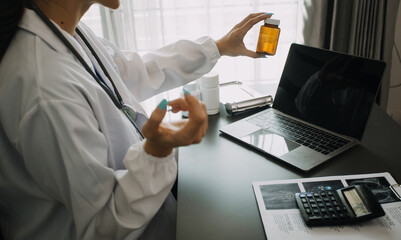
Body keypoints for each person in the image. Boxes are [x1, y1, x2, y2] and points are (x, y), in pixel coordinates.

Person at [0, 0, 272, 239]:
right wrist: (157, 150)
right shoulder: (45, 88)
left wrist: (218, 47)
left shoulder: (63, 31)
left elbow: (133, 71)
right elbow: (103, 223)